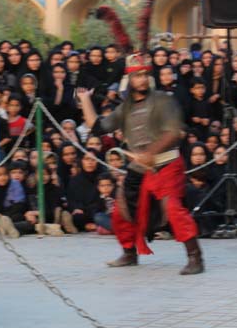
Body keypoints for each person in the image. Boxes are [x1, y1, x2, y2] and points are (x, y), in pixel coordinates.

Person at [78, 53, 204, 275]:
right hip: (139, 168)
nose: (142, 80)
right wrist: (86, 100)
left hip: (167, 163)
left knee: (173, 209)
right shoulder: (125, 108)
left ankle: (195, 256)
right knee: (121, 211)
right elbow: (98, 127)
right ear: (129, 79)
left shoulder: (164, 100)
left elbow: (175, 132)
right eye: (137, 76)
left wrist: (151, 152)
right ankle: (129, 253)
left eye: (145, 75)